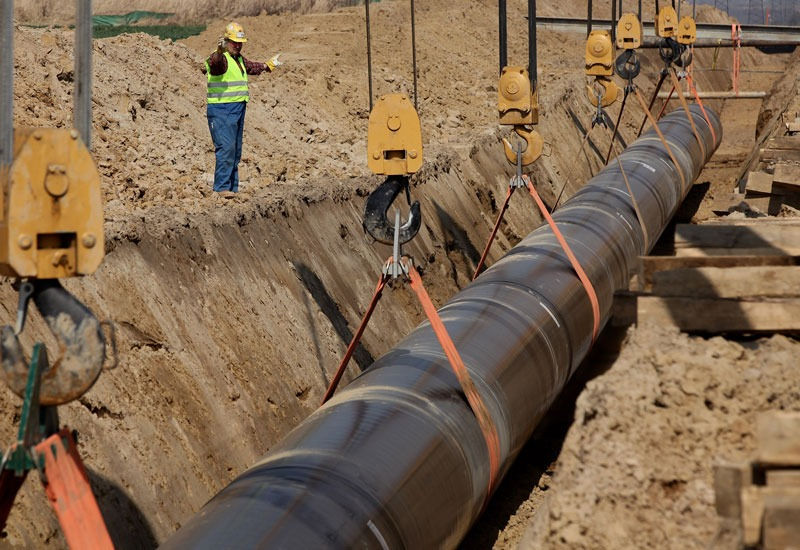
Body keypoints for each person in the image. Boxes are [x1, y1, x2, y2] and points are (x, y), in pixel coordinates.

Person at [203, 22, 283, 193]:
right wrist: (219, 51)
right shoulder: (220, 58)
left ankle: (232, 189)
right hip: (221, 110)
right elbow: (215, 64)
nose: (238, 46)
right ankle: (222, 190)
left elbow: (251, 67)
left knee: (236, 151)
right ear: (226, 41)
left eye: (240, 43)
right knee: (226, 149)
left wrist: (267, 65)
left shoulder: (237, 58)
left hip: (237, 109)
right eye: (234, 43)